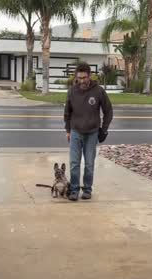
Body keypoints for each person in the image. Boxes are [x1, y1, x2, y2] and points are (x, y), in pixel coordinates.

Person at [63, 62, 113, 201]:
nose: (82, 80)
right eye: (79, 78)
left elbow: (108, 111)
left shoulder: (98, 91)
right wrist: (68, 130)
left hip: (92, 133)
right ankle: (73, 190)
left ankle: (87, 189)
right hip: (75, 132)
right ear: (76, 77)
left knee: (89, 164)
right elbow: (67, 112)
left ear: (90, 76)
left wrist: (104, 130)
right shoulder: (72, 91)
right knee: (74, 163)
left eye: (85, 77)